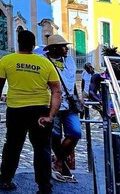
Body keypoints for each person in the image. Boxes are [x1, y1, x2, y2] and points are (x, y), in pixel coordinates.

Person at [0, 30, 62, 194]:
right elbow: (56, 91)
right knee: (42, 148)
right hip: (40, 111)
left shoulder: (7, 60)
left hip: (16, 110)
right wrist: (51, 115)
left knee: (12, 146)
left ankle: (6, 180)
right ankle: (44, 187)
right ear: (33, 44)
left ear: (18, 42)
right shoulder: (45, 63)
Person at [42, 35, 81, 183]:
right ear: (54, 48)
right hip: (53, 104)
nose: (66, 48)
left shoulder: (69, 60)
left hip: (70, 104)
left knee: (75, 133)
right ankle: (61, 166)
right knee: (55, 137)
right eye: (63, 46)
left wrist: (78, 101)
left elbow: (70, 83)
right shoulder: (45, 61)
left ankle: (58, 161)